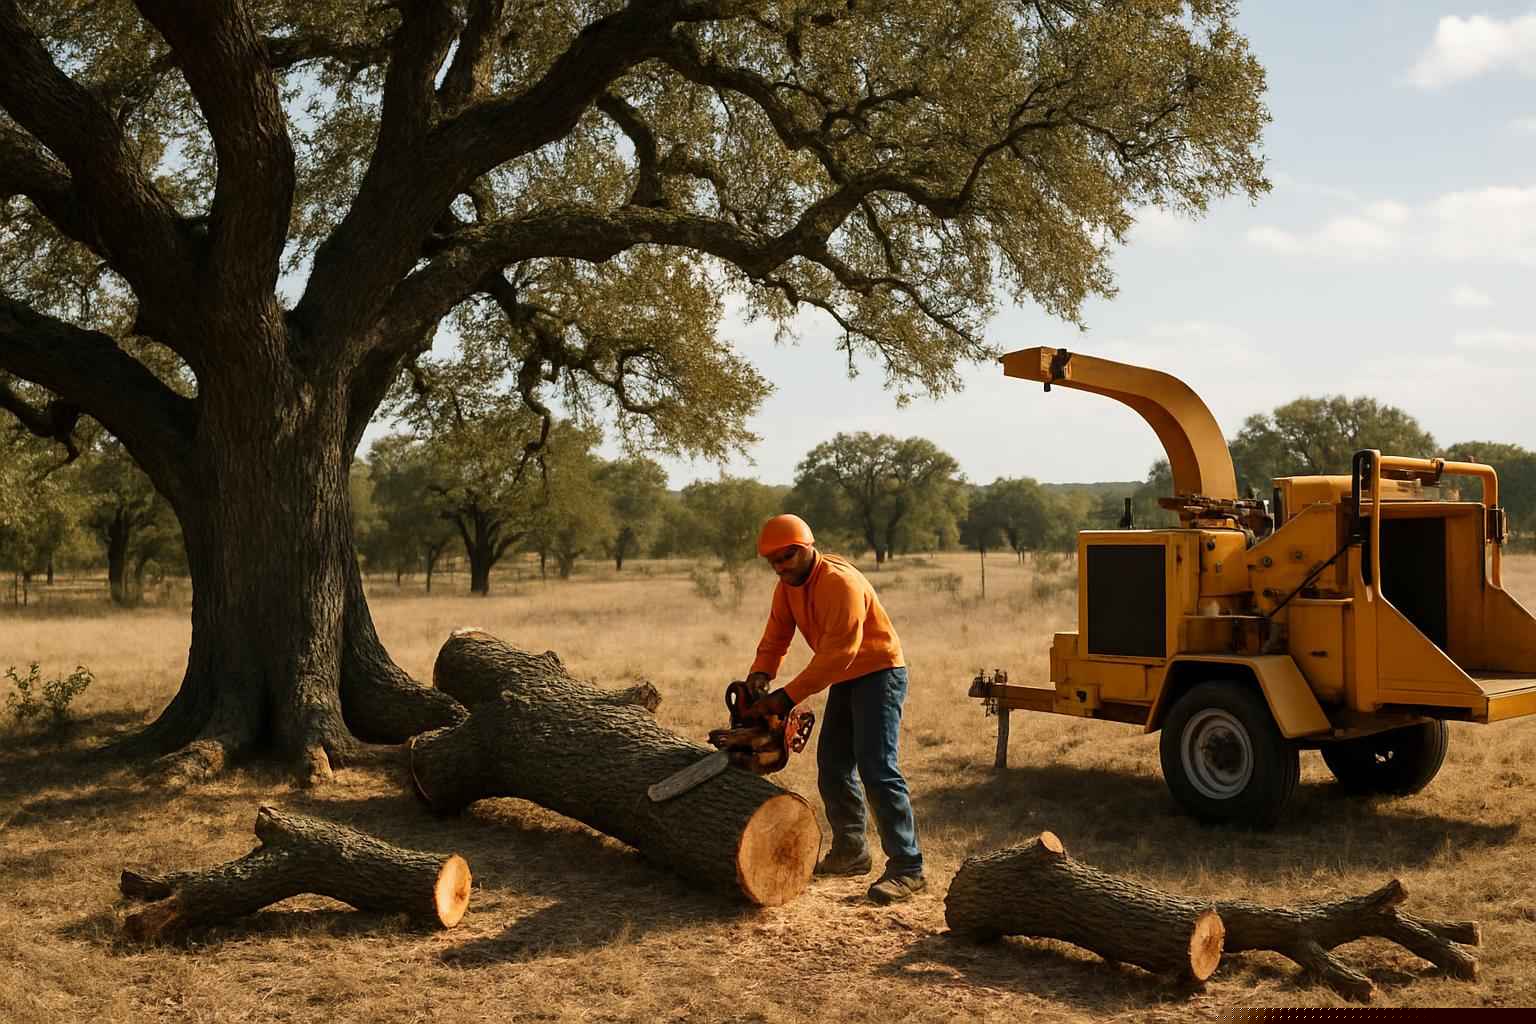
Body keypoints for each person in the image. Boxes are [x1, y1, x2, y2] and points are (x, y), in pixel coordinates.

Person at [744, 513, 925, 904]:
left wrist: (786, 697)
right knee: (833, 763)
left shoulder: (839, 583)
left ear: (808, 546)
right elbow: (776, 636)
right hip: (846, 677)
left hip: (879, 672)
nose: (781, 566)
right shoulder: (787, 586)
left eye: (788, 556)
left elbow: (838, 655)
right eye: (773, 561)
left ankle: (908, 867)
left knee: (877, 766)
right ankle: (852, 851)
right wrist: (760, 674)